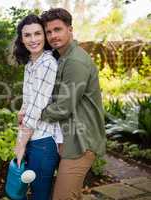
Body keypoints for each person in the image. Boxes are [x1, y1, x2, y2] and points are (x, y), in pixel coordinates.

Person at [39, 8, 107, 199]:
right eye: (49, 32)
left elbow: (63, 108)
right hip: (71, 138)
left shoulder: (75, 61)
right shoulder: (62, 58)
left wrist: (34, 113)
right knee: (72, 194)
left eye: (57, 29)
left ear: (70, 29)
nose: (53, 36)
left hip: (81, 142)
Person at [12, 14, 63, 200]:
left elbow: (37, 107)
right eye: (27, 35)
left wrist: (20, 145)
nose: (33, 40)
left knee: (40, 194)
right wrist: (22, 110)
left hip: (43, 141)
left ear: (44, 35)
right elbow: (29, 99)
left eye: (37, 33)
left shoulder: (47, 63)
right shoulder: (31, 63)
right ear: (21, 38)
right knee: (34, 192)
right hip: (32, 137)